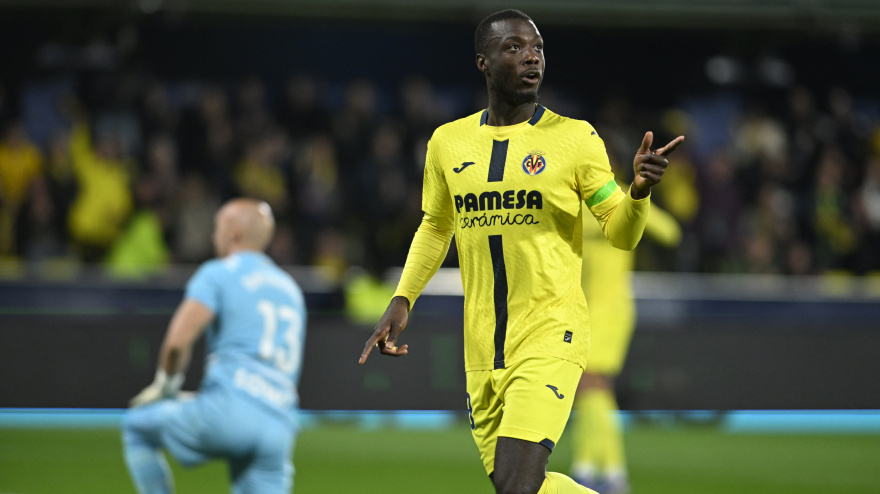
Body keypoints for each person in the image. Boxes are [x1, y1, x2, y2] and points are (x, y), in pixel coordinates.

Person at [358, 9, 683, 494]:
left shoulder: (576, 139)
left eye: (538, 47)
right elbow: (435, 225)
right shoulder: (448, 143)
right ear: (483, 62)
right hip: (482, 348)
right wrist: (403, 298)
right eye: (514, 47)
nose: (532, 57)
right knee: (521, 488)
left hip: (551, 335)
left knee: (516, 485)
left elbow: (622, 232)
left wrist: (637, 193)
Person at [122, 198, 307, 494]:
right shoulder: (290, 288)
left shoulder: (218, 273)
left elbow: (176, 343)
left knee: (138, 427)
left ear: (233, 233)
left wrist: (167, 385)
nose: (213, 236)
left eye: (218, 228)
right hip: (279, 423)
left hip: (229, 412)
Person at [571, 202, 682, 493]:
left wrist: (635, 207)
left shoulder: (617, 197)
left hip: (611, 311)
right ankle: (595, 469)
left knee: (590, 382)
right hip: (584, 308)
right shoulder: (574, 203)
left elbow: (671, 232)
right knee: (589, 388)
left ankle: (606, 471)